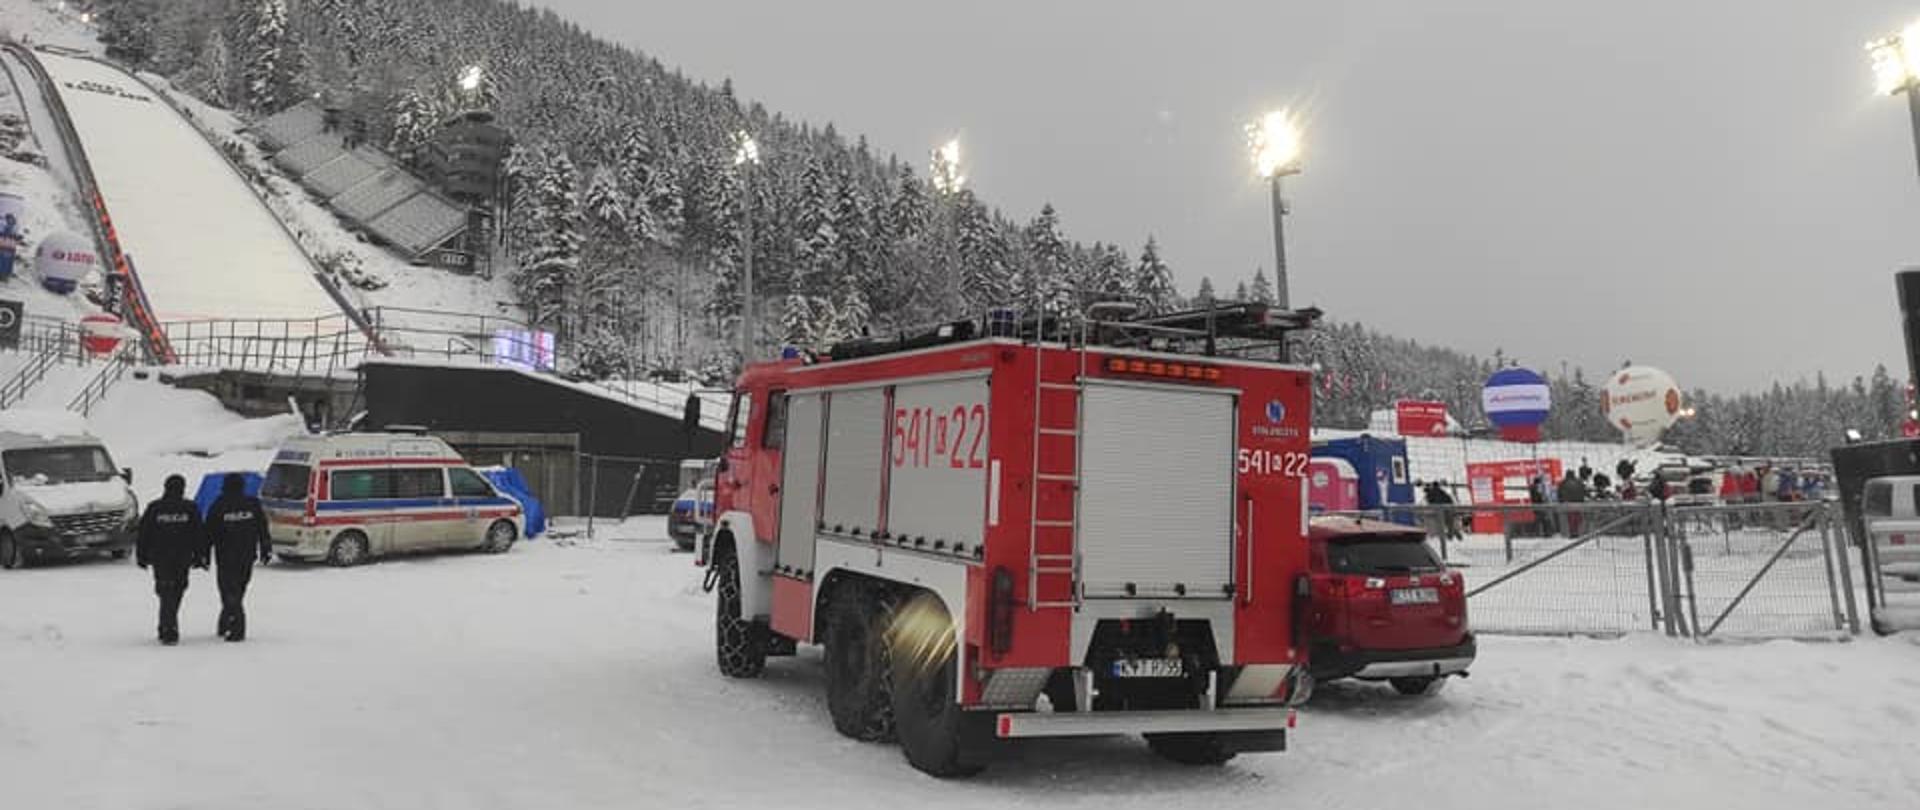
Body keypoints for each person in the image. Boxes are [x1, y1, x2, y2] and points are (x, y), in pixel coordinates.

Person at [135, 475, 209, 646]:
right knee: (176, 589)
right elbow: (199, 534)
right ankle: (169, 627)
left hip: (161, 558)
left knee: (165, 589)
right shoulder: (189, 508)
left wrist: (142, 555)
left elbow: (143, 534)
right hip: (182, 558)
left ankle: (166, 624)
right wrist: (200, 556)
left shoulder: (155, 508)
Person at [206, 473, 272, 642]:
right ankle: (226, 623)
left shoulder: (219, 504)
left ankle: (236, 627)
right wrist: (265, 548)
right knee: (238, 590)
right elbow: (262, 528)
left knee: (228, 591)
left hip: (225, 557)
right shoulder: (252, 504)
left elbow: (208, 532)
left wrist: (204, 554)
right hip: (246, 556)